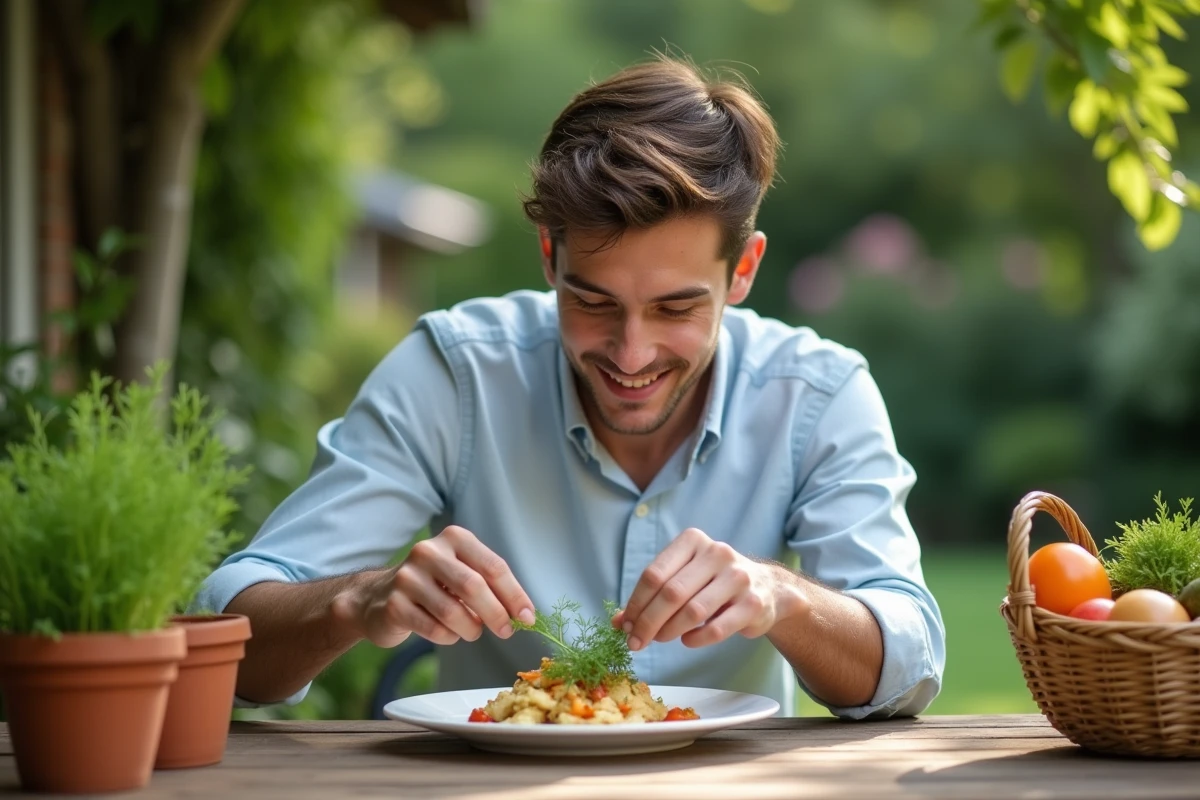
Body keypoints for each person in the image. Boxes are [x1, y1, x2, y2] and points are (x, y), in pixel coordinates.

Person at [195, 54, 946, 720]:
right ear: (550, 255)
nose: (632, 353)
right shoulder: (455, 373)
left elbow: (908, 666)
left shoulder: (817, 394)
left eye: (676, 308)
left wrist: (783, 597)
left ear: (742, 270)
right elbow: (224, 636)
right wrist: (355, 601)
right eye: (593, 302)